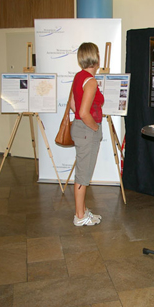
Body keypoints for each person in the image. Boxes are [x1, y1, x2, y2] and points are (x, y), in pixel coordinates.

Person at [69, 42, 104, 226]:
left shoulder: (79, 77)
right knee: (83, 175)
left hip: (79, 129)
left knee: (82, 172)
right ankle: (80, 217)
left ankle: (81, 211)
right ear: (95, 57)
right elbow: (83, 112)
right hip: (87, 130)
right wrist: (96, 128)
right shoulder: (90, 81)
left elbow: (74, 105)